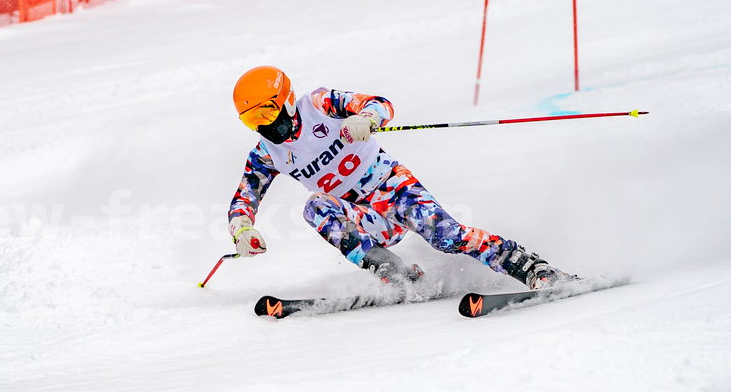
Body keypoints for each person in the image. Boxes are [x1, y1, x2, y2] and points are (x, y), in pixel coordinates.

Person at [227, 65, 568, 289]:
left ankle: (530, 267)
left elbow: (379, 103)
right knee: (315, 207)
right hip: (364, 218)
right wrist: (241, 228)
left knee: (446, 238)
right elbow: (245, 195)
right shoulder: (266, 153)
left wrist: (368, 118)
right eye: (250, 119)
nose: (263, 124)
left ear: (284, 99)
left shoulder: (319, 104)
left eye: (267, 111)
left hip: (392, 189)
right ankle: (396, 275)